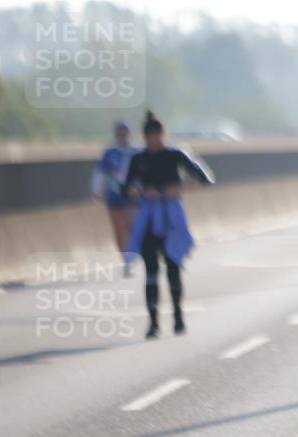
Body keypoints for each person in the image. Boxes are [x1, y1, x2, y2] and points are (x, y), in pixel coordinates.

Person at [122, 110, 215, 339]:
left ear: (164, 135)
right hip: (149, 215)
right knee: (151, 271)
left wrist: (178, 189)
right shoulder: (138, 158)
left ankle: (178, 317)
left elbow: (206, 179)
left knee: (173, 269)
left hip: (172, 215)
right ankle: (153, 323)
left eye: (158, 138)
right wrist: (144, 191)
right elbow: (126, 189)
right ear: (144, 138)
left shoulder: (176, 155)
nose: (154, 143)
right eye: (150, 139)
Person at [91, 121, 139, 275]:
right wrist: (97, 191)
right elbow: (100, 173)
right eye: (119, 133)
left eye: (125, 133)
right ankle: (126, 261)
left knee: (131, 227)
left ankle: (132, 255)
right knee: (119, 231)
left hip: (132, 197)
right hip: (114, 197)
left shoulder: (136, 152)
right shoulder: (109, 153)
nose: (122, 136)